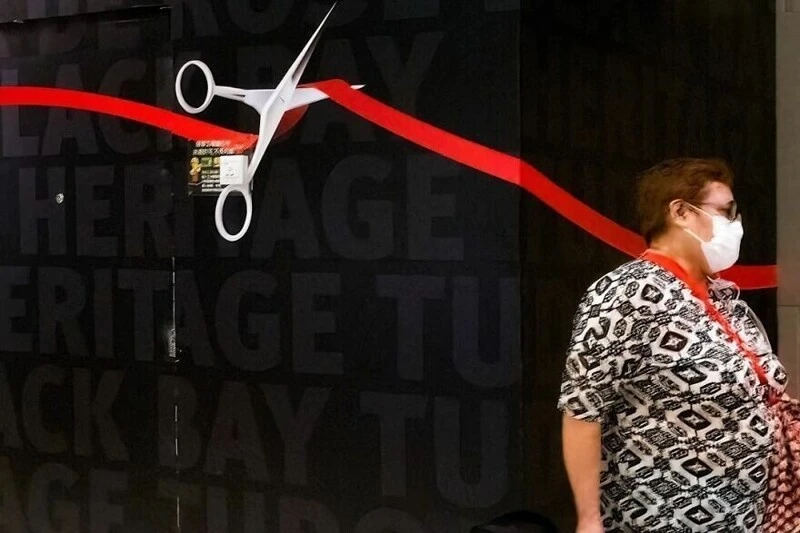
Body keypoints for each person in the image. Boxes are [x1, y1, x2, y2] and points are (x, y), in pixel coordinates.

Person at [557, 158, 788, 532]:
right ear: (681, 212)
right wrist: (588, 519)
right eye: (725, 212)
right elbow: (582, 410)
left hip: (744, 516)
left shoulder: (722, 296)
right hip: (662, 516)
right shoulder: (626, 294)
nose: (736, 225)